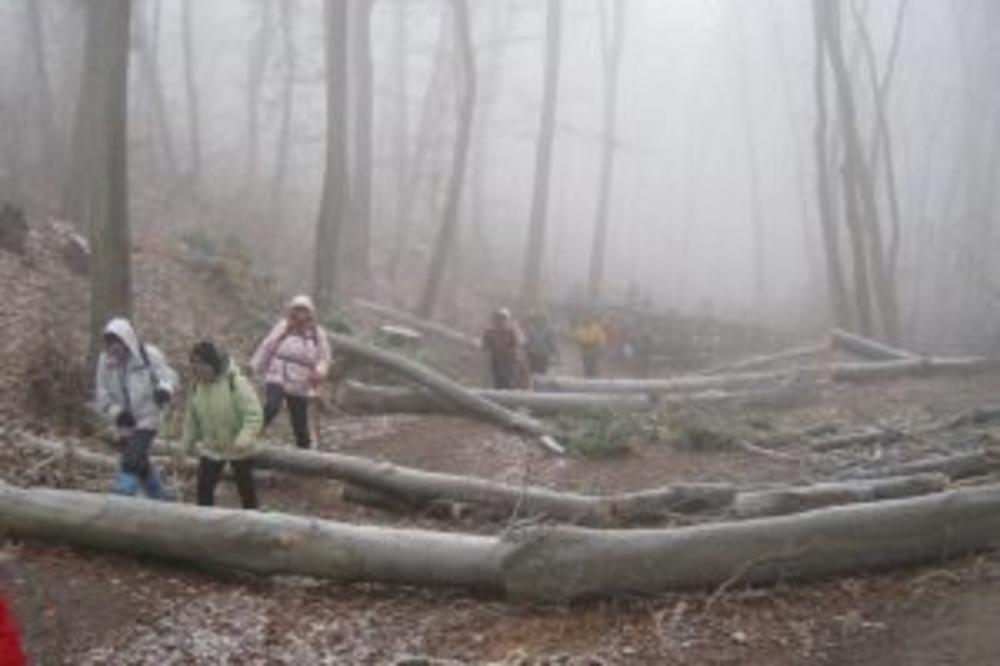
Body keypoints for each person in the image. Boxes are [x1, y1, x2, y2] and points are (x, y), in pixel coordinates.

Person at [94, 317, 178, 499]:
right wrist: (117, 413)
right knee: (140, 463)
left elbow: (169, 376)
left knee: (131, 459)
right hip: (124, 422)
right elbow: (102, 393)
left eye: (115, 343)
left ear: (126, 340)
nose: (112, 349)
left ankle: (121, 497)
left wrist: (164, 390)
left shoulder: (149, 355)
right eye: (108, 344)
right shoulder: (105, 362)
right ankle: (161, 498)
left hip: (149, 417)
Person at [182, 341, 264, 509]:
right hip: (212, 448)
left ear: (212, 364)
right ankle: (206, 525)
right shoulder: (197, 387)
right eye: (194, 364)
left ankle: (253, 525)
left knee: (246, 490)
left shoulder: (235, 383)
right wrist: (185, 447)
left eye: (201, 364)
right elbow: (192, 421)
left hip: (238, 447)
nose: (197, 369)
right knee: (204, 489)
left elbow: (254, 414)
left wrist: (245, 438)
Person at [251, 295, 331, 449]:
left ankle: (305, 455)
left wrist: (320, 372)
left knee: (299, 422)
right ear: (292, 311)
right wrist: (255, 366)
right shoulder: (283, 326)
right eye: (297, 309)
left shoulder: (317, 333)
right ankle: (250, 436)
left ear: (310, 313)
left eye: (304, 310)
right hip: (277, 374)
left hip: (301, 380)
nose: (301, 314)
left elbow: (324, 358)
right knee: (271, 407)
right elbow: (267, 346)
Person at [481, 308, 527, 389]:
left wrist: (512, 352)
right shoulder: (490, 331)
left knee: (509, 380)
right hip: (496, 359)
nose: (500, 320)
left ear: (507, 319)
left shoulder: (512, 330)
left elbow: (519, 343)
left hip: (510, 360)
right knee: (498, 379)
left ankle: (509, 394)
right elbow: (485, 345)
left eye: (503, 318)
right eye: (498, 318)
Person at [524, 311, 559, 375]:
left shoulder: (548, 330)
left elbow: (552, 342)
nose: (538, 321)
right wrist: (527, 349)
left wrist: (555, 353)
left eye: (540, 319)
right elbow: (528, 341)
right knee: (532, 372)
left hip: (543, 355)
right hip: (533, 354)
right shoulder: (531, 329)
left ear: (544, 321)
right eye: (537, 319)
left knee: (542, 372)